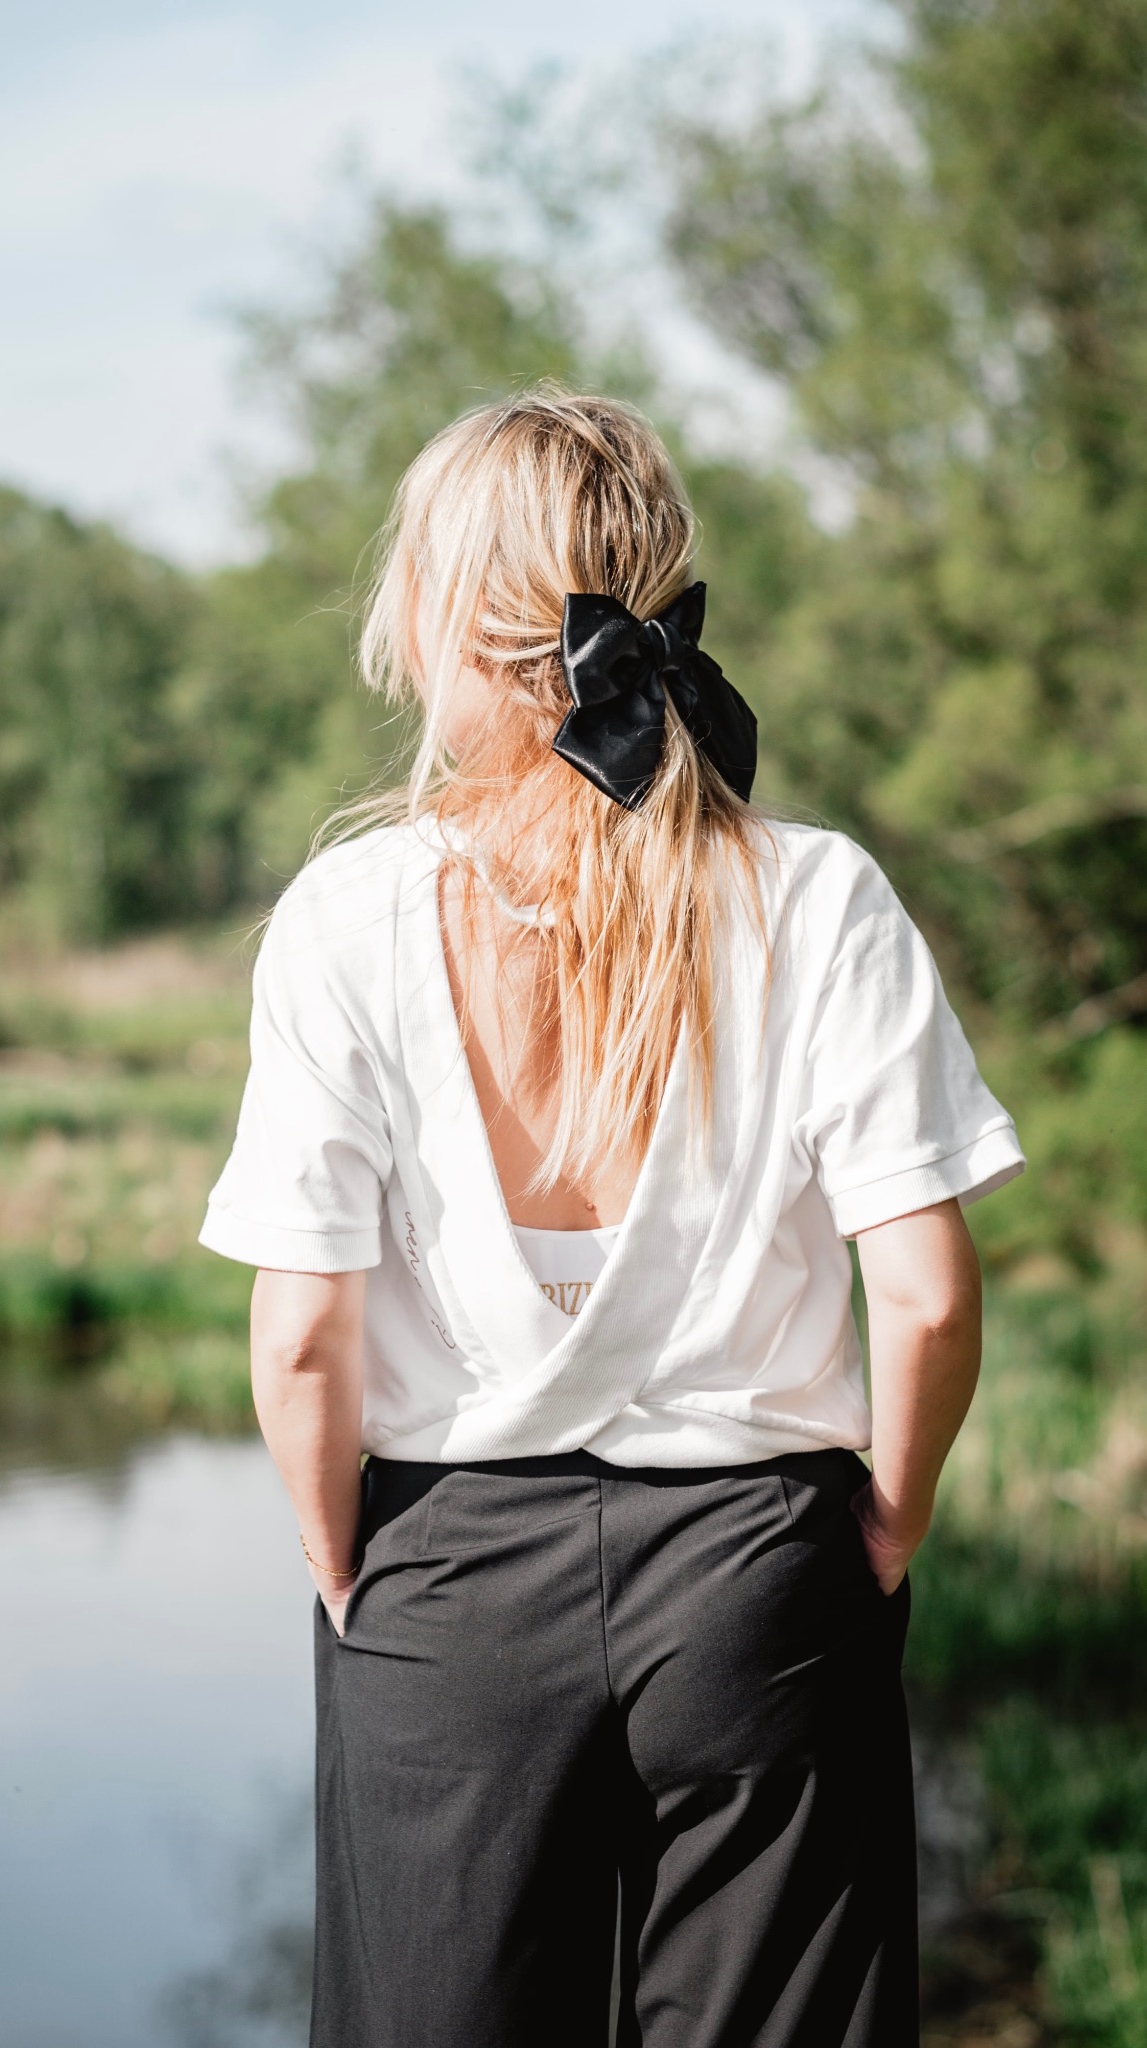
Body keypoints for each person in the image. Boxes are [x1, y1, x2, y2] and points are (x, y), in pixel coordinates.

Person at [199, 386, 1024, 2048]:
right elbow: (925, 1302)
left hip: (447, 1579)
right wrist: (886, 1529)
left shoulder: (348, 916)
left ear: (441, 613)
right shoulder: (819, 891)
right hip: (759, 1573)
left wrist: (341, 1566)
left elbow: (301, 1340)